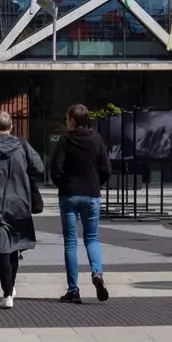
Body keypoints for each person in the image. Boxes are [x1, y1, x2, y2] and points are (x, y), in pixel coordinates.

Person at [0, 111, 45, 309]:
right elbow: (39, 168)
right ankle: (10, 289)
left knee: (3, 247)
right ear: (11, 126)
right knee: (13, 247)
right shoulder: (22, 146)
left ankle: (7, 293)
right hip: (19, 203)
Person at [50, 105, 112, 304]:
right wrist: (95, 183)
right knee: (92, 238)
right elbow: (106, 169)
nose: (66, 122)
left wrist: (63, 184)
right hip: (91, 195)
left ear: (73, 121)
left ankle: (73, 289)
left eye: (67, 119)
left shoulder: (65, 141)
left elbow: (56, 170)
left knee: (70, 242)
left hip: (69, 195)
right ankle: (97, 272)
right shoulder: (97, 140)